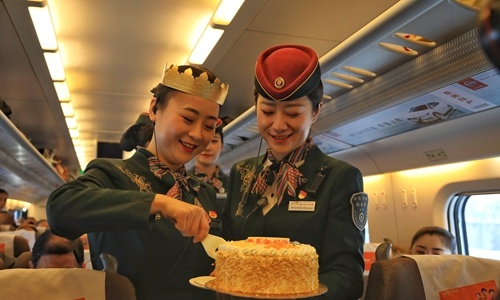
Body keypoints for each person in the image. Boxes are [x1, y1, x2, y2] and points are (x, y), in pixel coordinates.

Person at [46, 64, 229, 299]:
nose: (197, 134)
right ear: (154, 109)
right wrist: (159, 203)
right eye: (187, 118)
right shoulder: (114, 173)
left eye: (208, 126)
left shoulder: (202, 191)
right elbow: (60, 209)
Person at [222, 45, 367, 300]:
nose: (278, 125)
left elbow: (347, 277)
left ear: (316, 111)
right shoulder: (241, 173)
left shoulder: (340, 177)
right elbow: (228, 253)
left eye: (292, 113)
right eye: (267, 111)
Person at [188, 119, 229, 195]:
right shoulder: (184, 181)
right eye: (202, 140)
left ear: (222, 146)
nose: (207, 148)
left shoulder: (232, 183)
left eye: (214, 141)